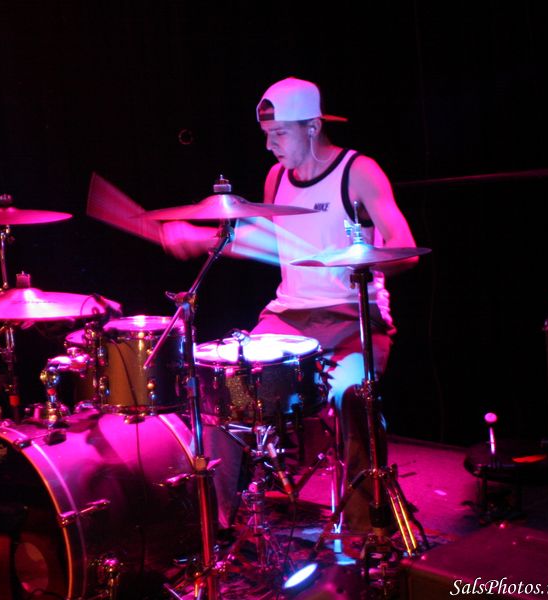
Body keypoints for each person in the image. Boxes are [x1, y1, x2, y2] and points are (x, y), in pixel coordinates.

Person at [160, 76, 418, 534]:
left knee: (352, 395)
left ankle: (367, 532)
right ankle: (219, 526)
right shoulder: (276, 177)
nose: (270, 145)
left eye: (279, 134)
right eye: (266, 134)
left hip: (354, 317)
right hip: (288, 317)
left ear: (313, 127)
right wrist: (200, 239)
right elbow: (267, 243)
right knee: (226, 391)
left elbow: (405, 247)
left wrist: (364, 262)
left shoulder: (359, 171)